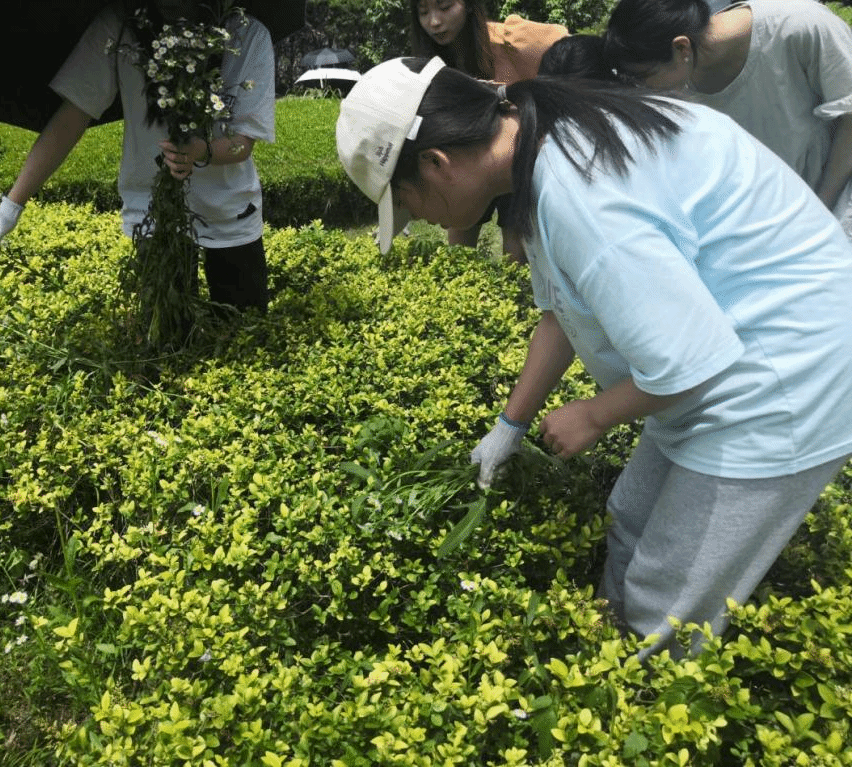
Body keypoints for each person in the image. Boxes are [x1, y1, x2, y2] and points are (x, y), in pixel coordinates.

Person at [335, 56, 852, 659]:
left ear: (436, 164)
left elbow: (688, 359)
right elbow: (562, 310)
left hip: (783, 377)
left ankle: (641, 686)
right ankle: (606, 654)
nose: (422, 219)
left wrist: (593, 415)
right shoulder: (546, 145)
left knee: (666, 606)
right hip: (725, 357)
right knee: (627, 519)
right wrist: (510, 425)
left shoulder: (579, 194)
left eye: (409, 203)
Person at [0, 0, 276, 312]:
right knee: (166, 329)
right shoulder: (120, 25)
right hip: (152, 210)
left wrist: (202, 150)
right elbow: (72, 116)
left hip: (231, 211)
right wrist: (10, 206)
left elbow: (243, 142)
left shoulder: (246, 33)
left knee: (244, 325)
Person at [604, 0, 852, 239]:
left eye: (642, 76)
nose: (640, 89)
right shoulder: (680, 82)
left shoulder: (802, 25)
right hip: (774, 223)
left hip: (836, 205)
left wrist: (819, 210)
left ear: (681, 49)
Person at [409, 0, 567, 255]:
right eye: (423, 12)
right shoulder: (431, 64)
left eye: (445, 7)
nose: (434, 22)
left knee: (515, 251)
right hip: (466, 160)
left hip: (514, 158)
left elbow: (570, 48)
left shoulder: (511, 41)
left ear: (469, 5)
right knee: (458, 250)